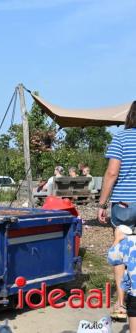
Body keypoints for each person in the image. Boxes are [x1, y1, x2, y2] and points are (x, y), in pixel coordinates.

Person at [98, 100, 136, 320]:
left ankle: (122, 304)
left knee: (122, 250)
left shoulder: (121, 137)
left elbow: (112, 173)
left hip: (125, 205)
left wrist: (102, 204)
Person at [107, 228, 136, 329]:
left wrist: (117, 239)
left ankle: (120, 304)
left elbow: (112, 258)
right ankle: (120, 305)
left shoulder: (128, 242)